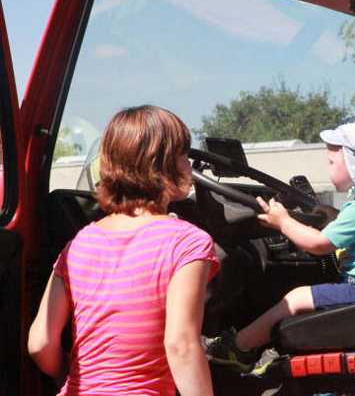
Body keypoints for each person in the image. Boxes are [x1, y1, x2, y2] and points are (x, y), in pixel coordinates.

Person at [27, 105, 220, 396]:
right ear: (162, 164)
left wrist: (66, 376)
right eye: (184, 156)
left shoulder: (79, 244)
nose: (190, 166)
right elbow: (181, 344)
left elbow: (40, 343)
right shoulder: (187, 242)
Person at [203, 114, 355, 373]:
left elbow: (318, 244)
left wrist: (283, 221)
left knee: (295, 299)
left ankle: (238, 348)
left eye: (332, 162)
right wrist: (330, 216)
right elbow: (347, 227)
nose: (328, 167)